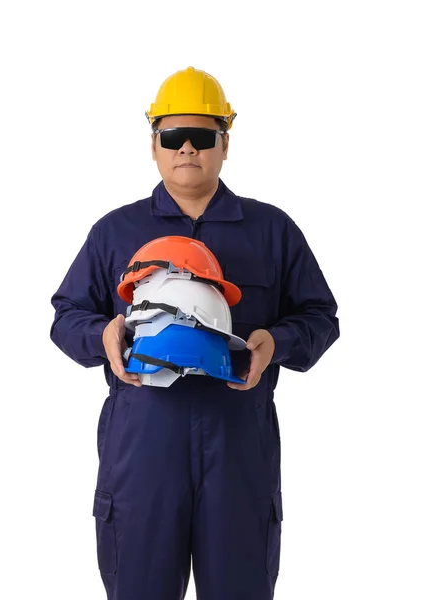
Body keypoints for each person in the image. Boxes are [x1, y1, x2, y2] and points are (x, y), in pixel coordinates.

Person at [50, 66, 340, 600]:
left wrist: (276, 343)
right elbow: (66, 314)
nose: (187, 148)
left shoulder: (271, 230)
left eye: (202, 136)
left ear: (225, 144)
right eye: (172, 137)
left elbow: (320, 316)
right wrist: (103, 336)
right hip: (142, 444)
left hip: (238, 443)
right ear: (153, 146)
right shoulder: (115, 232)